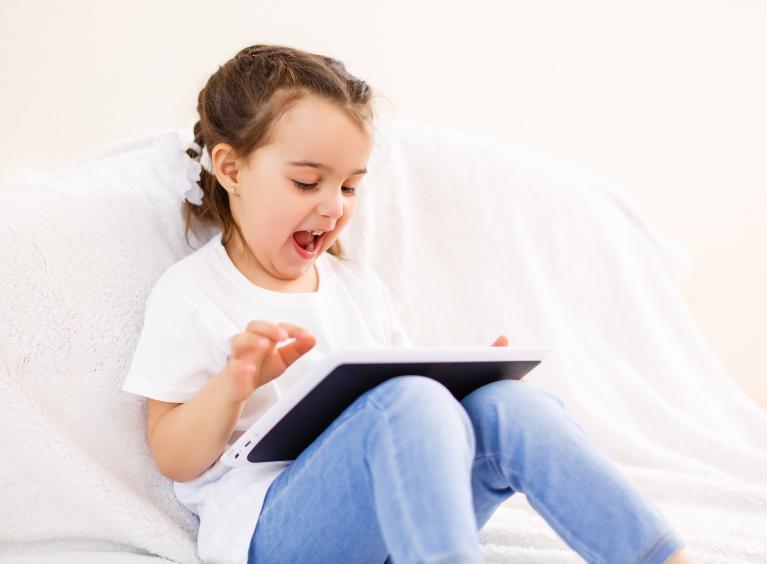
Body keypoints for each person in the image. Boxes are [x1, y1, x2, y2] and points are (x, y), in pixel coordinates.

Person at [121, 44, 694, 564]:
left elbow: (417, 418)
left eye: (348, 187)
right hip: (275, 532)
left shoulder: (357, 289)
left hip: (398, 520)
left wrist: (470, 384)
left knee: (509, 408)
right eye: (306, 183)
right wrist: (235, 383)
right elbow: (172, 456)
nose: (332, 207)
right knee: (409, 399)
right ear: (231, 169)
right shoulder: (193, 293)